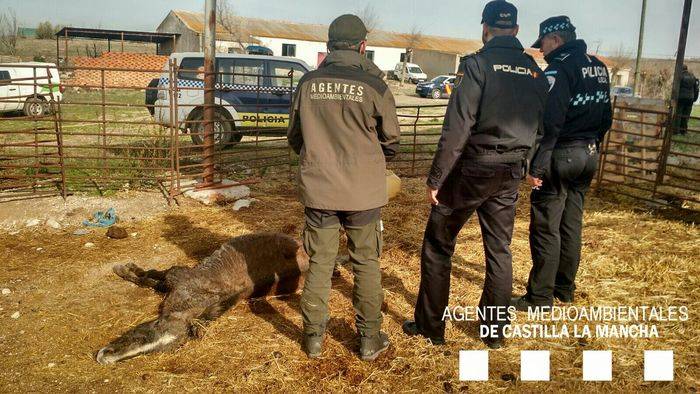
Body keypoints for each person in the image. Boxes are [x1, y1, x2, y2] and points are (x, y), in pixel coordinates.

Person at [402, 0, 548, 349]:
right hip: (511, 170)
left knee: (439, 244)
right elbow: (543, 126)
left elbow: (457, 128)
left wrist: (436, 178)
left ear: (485, 29)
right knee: (499, 249)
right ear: (515, 30)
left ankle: (431, 327)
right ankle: (494, 334)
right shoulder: (534, 72)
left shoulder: (478, 65)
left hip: (473, 168)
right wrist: (528, 164)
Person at [286, 14, 401, 361]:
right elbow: (391, 139)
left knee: (320, 262)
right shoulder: (376, 86)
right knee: (366, 262)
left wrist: (320, 159)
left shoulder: (308, 83)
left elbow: (295, 137)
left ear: (328, 46)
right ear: (363, 46)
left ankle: (313, 339)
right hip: (363, 192)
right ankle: (369, 340)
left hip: (320, 189)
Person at [511, 16, 612, 311]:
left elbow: (551, 122)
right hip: (588, 153)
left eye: (542, 44)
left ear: (555, 39)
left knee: (546, 226)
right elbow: (607, 116)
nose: (541, 51)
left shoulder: (559, 69)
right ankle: (564, 288)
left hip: (560, 154)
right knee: (571, 222)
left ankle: (539, 298)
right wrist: (593, 145)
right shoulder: (598, 67)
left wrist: (537, 165)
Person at [677, 65, 699, 135]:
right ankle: (684, 131)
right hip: (690, 98)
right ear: (687, 69)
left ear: (681, 69)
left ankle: (676, 130)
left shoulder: (680, 76)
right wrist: (694, 98)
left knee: (679, 114)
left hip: (681, 98)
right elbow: (696, 89)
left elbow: (676, 88)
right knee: (686, 115)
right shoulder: (693, 76)